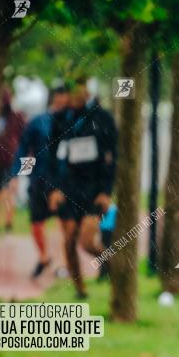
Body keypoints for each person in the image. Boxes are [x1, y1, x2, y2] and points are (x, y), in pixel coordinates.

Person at [48, 77, 117, 299]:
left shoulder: (102, 118)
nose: (76, 96)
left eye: (81, 91)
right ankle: (80, 290)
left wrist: (107, 191)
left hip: (95, 189)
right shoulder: (62, 119)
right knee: (68, 241)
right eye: (72, 92)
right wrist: (55, 189)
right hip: (70, 188)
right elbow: (53, 157)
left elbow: (113, 157)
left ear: (88, 91)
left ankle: (116, 270)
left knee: (87, 241)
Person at [11, 84, 69, 278]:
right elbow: (25, 149)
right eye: (59, 96)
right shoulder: (38, 122)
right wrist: (18, 175)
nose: (62, 100)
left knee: (65, 223)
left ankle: (63, 264)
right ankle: (44, 257)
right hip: (39, 179)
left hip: (64, 181)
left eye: (65, 96)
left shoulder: (74, 121)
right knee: (36, 223)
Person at [0, 87, 26, 233]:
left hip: (11, 160)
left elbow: (25, 139)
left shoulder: (16, 117)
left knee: (9, 192)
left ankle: (8, 223)